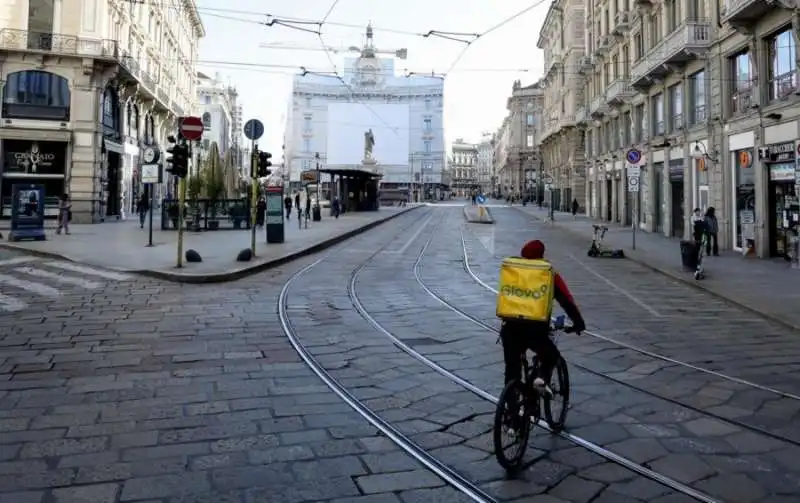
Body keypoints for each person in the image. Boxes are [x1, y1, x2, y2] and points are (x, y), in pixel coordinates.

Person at [500, 239, 586, 396]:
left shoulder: (514, 271)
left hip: (510, 327)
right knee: (551, 356)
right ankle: (540, 379)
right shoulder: (548, 274)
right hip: (535, 331)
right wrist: (578, 323)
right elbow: (567, 301)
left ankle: (511, 412)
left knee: (512, 371)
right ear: (541, 255)